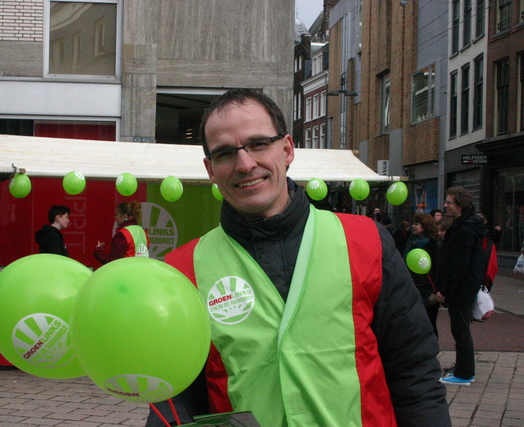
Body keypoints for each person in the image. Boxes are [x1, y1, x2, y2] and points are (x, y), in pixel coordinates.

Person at [145, 89, 450, 426]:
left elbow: (415, 374)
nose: (245, 164)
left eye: (259, 144)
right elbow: (175, 401)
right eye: (225, 153)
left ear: (287, 149)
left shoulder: (366, 242)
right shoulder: (183, 271)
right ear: (210, 169)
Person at [435, 186, 485, 386]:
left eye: (449, 202)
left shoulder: (464, 231)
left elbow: (458, 265)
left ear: (460, 206)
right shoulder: (466, 227)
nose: (445, 205)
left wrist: (445, 290)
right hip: (465, 287)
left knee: (461, 331)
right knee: (460, 329)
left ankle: (465, 373)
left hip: (461, 289)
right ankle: (462, 367)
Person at [404, 214, 440, 337]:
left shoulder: (434, 244)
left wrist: (436, 291)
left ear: (424, 227)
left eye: (416, 224)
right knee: (413, 321)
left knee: (429, 321)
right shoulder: (411, 240)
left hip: (428, 287)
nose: (413, 226)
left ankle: (432, 348)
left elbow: (437, 268)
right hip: (413, 285)